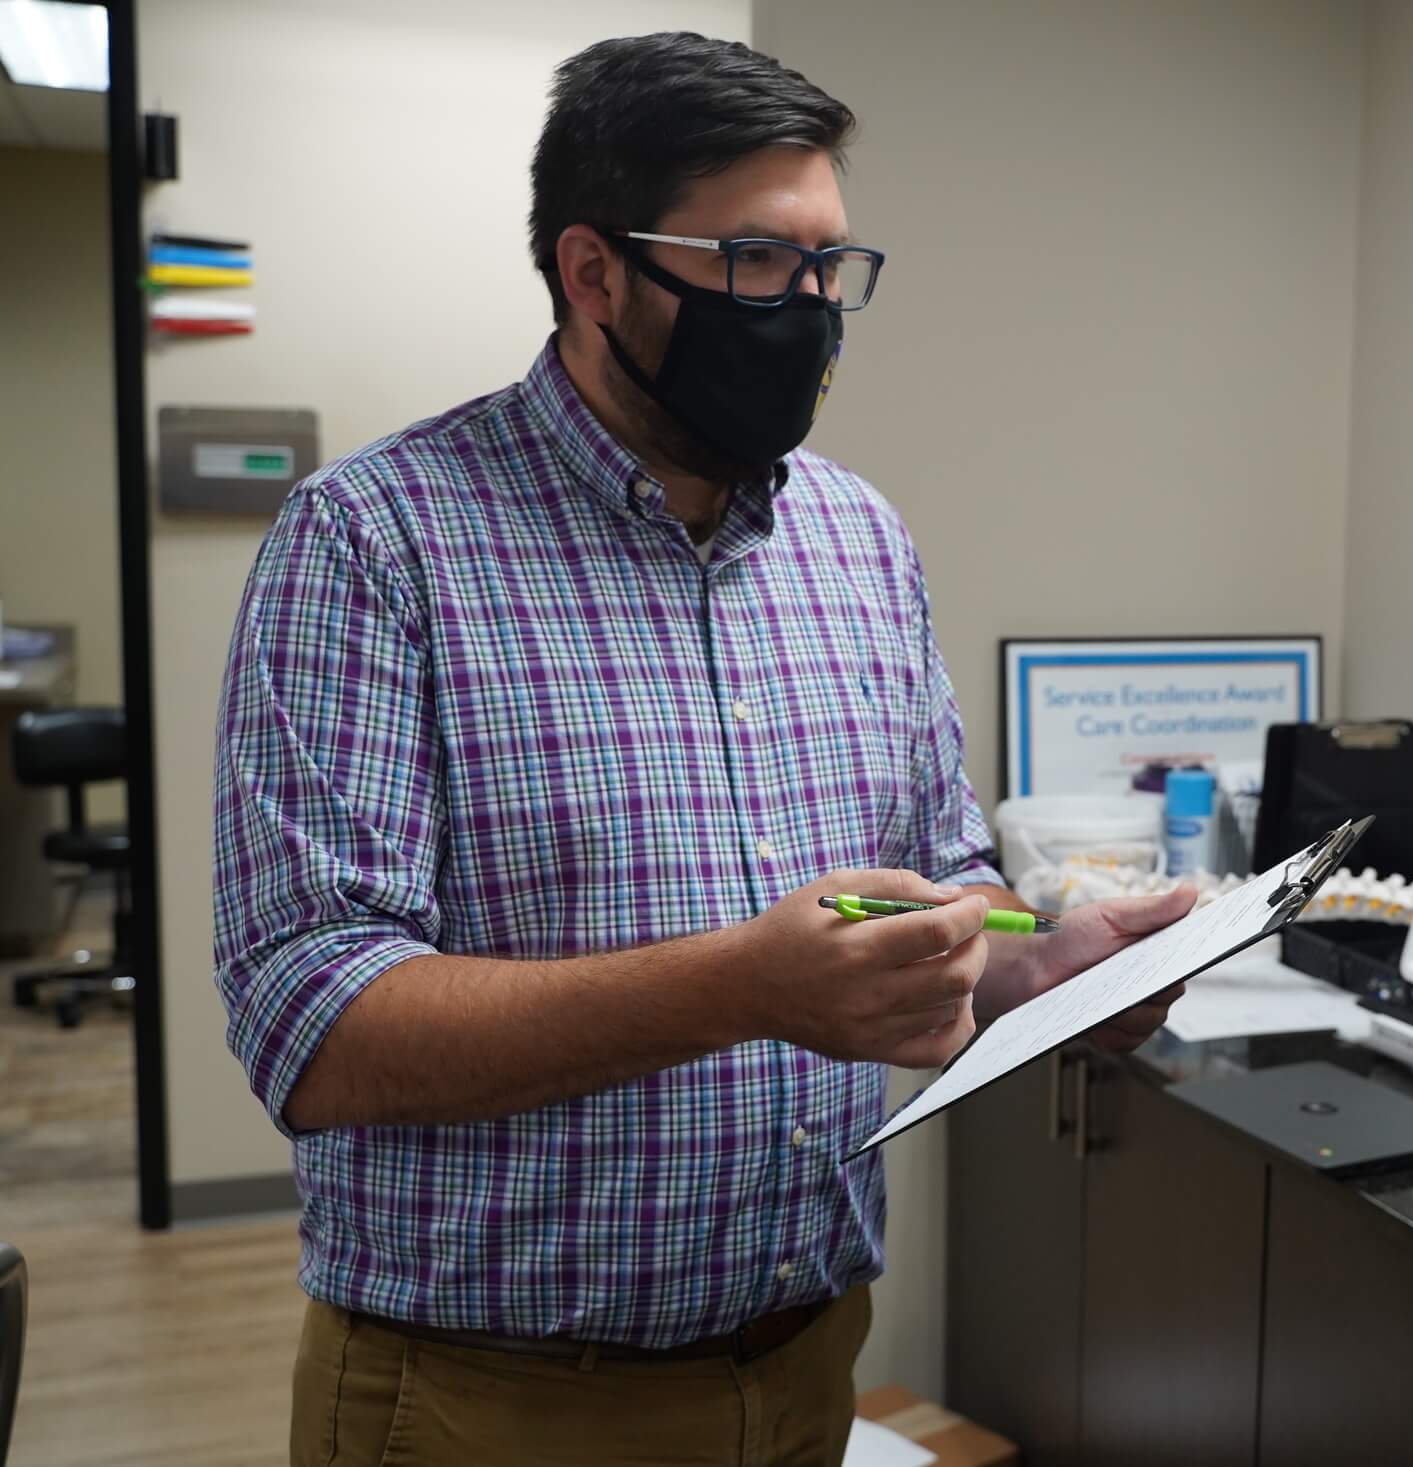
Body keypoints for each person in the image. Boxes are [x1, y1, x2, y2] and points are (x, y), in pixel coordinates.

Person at [212, 33, 1190, 1466]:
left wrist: (1032, 969)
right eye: (750, 261)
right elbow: (312, 1023)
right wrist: (741, 985)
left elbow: (939, 885)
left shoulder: (857, 541)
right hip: (491, 1400)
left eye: (829, 265)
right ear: (594, 272)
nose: (803, 307)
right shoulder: (376, 543)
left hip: (805, 1368)